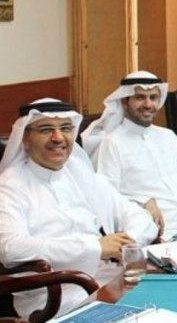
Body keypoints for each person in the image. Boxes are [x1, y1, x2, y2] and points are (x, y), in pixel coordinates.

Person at [0, 99, 158, 318]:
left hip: (108, 279)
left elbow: (139, 217)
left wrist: (127, 244)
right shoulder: (9, 186)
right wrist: (95, 248)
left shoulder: (82, 175)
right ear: (25, 138)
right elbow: (11, 248)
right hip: (56, 294)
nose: (58, 138)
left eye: (66, 128)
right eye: (46, 130)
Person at [93, 71, 177, 240]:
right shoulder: (112, 143)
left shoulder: (167, 135)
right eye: (140, 97)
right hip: (164, 233)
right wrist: (142, 201)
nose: (148, 104)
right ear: (125, 101)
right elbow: (107, 196)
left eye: (153, 98)